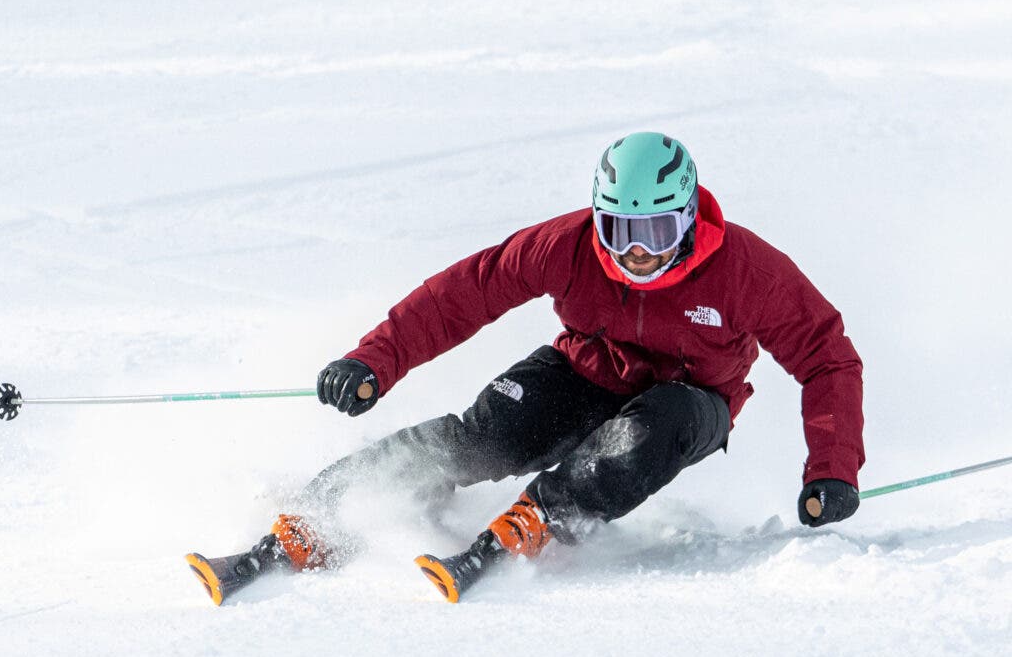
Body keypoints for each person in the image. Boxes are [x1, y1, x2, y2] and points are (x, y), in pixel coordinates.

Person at [188, 131, 865, 605]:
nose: (636, 255)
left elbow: (828, 357)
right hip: (585, 371)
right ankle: (328, 507)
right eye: (619, 233)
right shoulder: (566, 245)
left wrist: (832, 471)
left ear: (687, 220)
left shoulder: (747, 271)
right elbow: (463, 293)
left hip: (689, 404)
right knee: (485, 435)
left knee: (649, 427)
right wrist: (372, 360)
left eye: (656, 233)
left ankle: (544, 514)